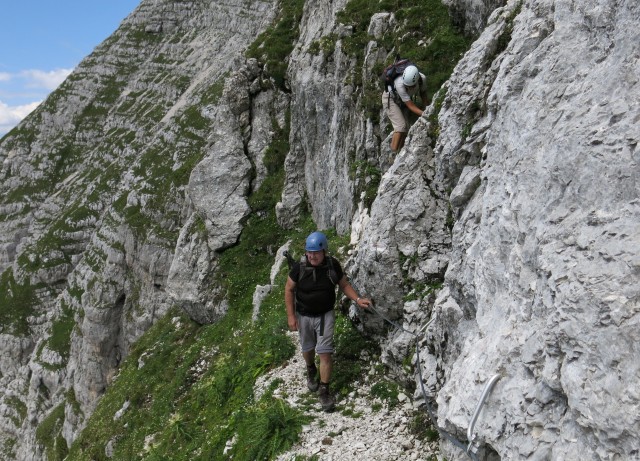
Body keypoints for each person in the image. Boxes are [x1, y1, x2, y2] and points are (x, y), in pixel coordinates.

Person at [284, 231, 372, 412]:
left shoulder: (332, 265)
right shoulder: (299, 267)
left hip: (325, 315)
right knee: (307, 349)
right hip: (304, 315)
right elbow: (289, 289)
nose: (311, 256)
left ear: (324, 251)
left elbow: (344, 285)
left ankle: (324, 390)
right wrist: (291, 316)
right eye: (309, 252)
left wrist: (357, 299)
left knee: (325, 353)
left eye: (315, 252)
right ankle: (310, 368)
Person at [381, 64, 429, 152]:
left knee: (406, 128)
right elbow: (410, 105)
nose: (408, 88)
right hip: (390, 99)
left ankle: (400, 151)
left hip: (400, 100)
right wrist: (426, 114)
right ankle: (393, 153)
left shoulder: (422, 79)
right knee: (400, 126)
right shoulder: (400, 84)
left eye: (411, 86)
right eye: (406, 86)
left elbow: (423, 94)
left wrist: (427, 108)